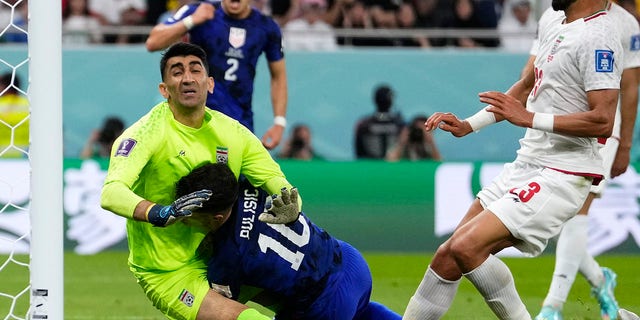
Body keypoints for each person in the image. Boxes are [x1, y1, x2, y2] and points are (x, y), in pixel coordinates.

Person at [403, 0, 623, 318]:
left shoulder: (599, 35)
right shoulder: (553, 22)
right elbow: (524, 87)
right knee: (448, 255)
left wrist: (530, 119)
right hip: (526, 163)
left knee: (467, 248)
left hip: (562, 172)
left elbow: (603, 119)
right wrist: (469, 124)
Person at [100, 42, 300, 320]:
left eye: (195, 70)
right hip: (168, 272)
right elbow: (111, 193)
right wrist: (160, 212)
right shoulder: (144, 134)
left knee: (314, 302)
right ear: (164, 89)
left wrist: (292, 204)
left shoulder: (232, 133)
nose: (187, 78)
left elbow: (274, 179)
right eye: (177, 72)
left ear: (210, 84)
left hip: (226, 255)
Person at [175, 162, 402, 319]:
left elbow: (225, 310)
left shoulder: (226, 260)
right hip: (350, 261)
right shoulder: (250, 184)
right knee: (361, 314)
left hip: (324, 306)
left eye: (189, 215)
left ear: (216, 217)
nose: (182, 219)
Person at [534, 1, 640, 319]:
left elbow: (631, 86)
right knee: (561, 219)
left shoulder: (624, 24)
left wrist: (625, 145)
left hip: (600, 131)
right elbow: (533, 70)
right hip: (552, 129)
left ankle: (551, 307)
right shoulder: (553, 15)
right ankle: (599, 279)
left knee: (578, 212)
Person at [145, 0, 289, 150]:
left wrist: (279, 122)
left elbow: (278, 76)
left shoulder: (267, 27)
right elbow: (153, 42)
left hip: (239, 122)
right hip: (195, 119)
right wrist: (191, 21)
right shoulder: (198, 10)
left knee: (235, 173)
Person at [354, 84, 404, 159]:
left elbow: (359, 153)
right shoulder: (400, 125)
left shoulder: (364, 125)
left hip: (371, 167)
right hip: (392, 167)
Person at [0, 72, 29, 158]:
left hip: (2, 156)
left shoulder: (1, 104)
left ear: (4, 86)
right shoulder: (28, 104)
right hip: (25, 155)